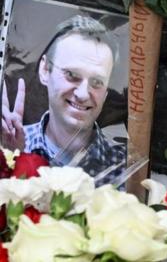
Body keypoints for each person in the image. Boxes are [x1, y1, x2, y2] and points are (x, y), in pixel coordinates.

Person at [1, 15, 125, 186]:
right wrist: (8, 164)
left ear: (106, 91)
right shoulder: (9, 146)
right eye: (72, 75)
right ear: (45, 70)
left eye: (97, 82)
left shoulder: (126, 167)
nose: (82, 94)